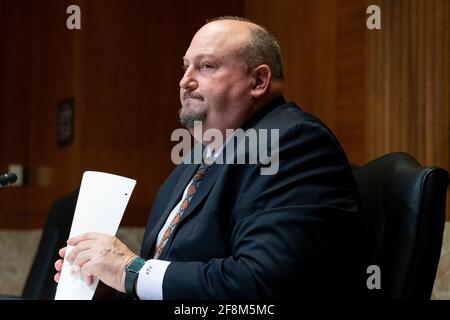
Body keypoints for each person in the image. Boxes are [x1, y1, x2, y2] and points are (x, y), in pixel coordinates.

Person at [54, 16, 363, 299]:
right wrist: (113, 286)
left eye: (206, 66)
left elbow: (261, 283)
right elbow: (169, 273)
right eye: (185, 66)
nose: (185, 81)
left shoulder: (292, 142)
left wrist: (129, 270)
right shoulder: (199, 158)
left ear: (258, 81)